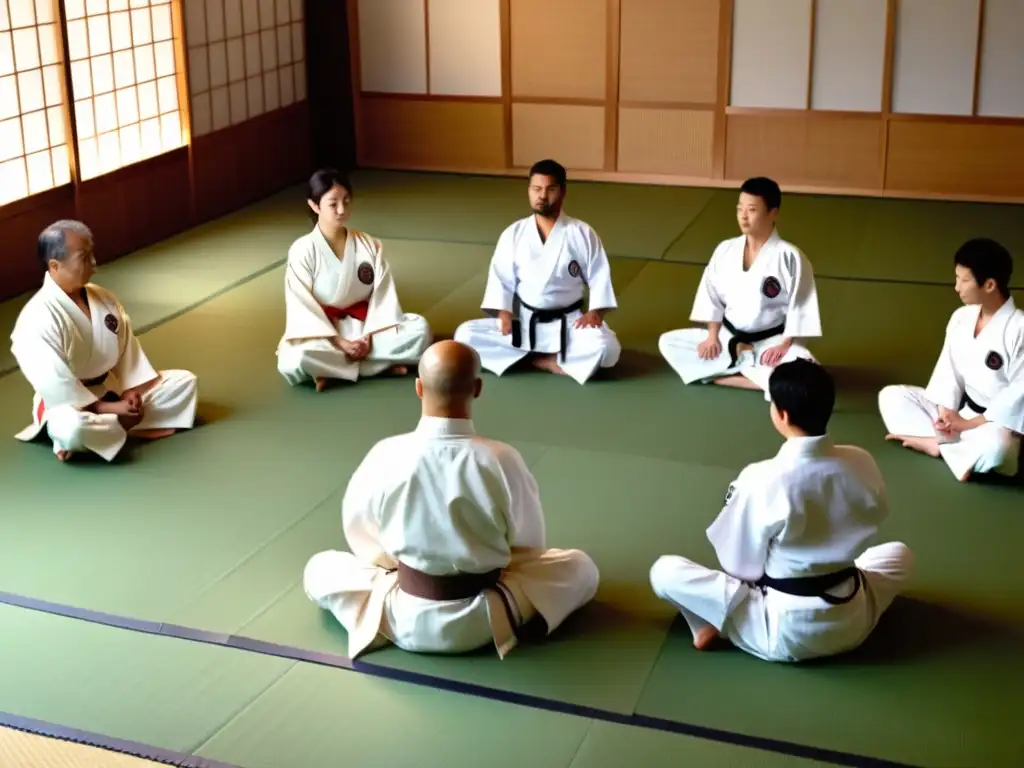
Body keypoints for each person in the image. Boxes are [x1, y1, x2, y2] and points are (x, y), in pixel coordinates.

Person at [303, 339, 599, 659]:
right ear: (478, 388)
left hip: (402, 612)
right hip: (486, 615)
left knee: (319, 568)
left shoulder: (386, 454)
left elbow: (360, 534)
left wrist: (397, 563)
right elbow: (530, 547)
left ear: (418, 387)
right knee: (580, 567)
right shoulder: (501, 459)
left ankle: (385, 612)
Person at [649, 359, 913, 663]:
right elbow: (877, 514)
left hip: (788, 631)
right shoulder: (861, 460)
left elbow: (741, 564)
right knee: (900, 554)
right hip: (854, 617)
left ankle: (717, 622)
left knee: (664, 572)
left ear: (782, 414)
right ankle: (724, 619)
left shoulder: (761, 477)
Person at [10, 220, 198, 463]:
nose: (95, 265)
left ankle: (109, 431)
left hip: (112, 390)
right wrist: (109, 409)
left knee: (185, 382)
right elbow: (56, 386)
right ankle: (109, 428)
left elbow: (127, 354)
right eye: (85, 258)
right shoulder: (36, 317)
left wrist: (131, 393)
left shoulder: (104, 298)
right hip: (70, 404)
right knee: (71, 427)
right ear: (55, 265)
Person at [453, 159, 620, 385]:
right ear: (529, 191)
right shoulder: (514, 233)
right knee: (465, 335)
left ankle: (537, 358)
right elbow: (500, 278)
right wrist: (503, 314)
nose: (542, 196)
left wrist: (596, 313)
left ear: (563, 192)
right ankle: (546, 358)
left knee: (606, 347)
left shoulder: (582, 233)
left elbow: (600, 275)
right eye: (536, 189)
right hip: (525, 323)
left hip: (570, 325)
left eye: (550, 189)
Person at [658, 177, 821, 398]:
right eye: (739, 209)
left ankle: (723, 376)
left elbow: (800, 307)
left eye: (752, 210)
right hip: (729, 340)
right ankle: (756, 377)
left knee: (806, 368)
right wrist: (712, 337)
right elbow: (711, 295)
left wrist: (784, 345)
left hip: (770, 345)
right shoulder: (725, 249)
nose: (743, 216)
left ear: (773, 213)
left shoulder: (790, 257)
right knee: (668, 342)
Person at [879, 238, 1022, 481]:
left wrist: (967, 425)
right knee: (892, 396)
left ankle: (937, 446)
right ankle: (953, 449)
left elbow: (1017, 397)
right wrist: (946, 413)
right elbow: (949, 371)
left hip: (995, 425)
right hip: (962, 414)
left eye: (964, 280)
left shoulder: (1019, 328)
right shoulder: (961, 317)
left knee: (998, 449)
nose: (957, 287)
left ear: (989, 285)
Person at [276, 169, 432, 391]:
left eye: (346, 201)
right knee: (296, 358)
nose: (342, 209)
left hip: (367, 326)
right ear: (314, 205)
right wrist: (339, 342)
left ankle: (334, 372)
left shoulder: (368, 243)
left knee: (419, 330)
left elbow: (383, 294)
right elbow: (301, 305)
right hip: (323, 332)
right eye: (333, 204)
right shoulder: (302, 250)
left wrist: (369, 336)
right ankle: (377, 367)